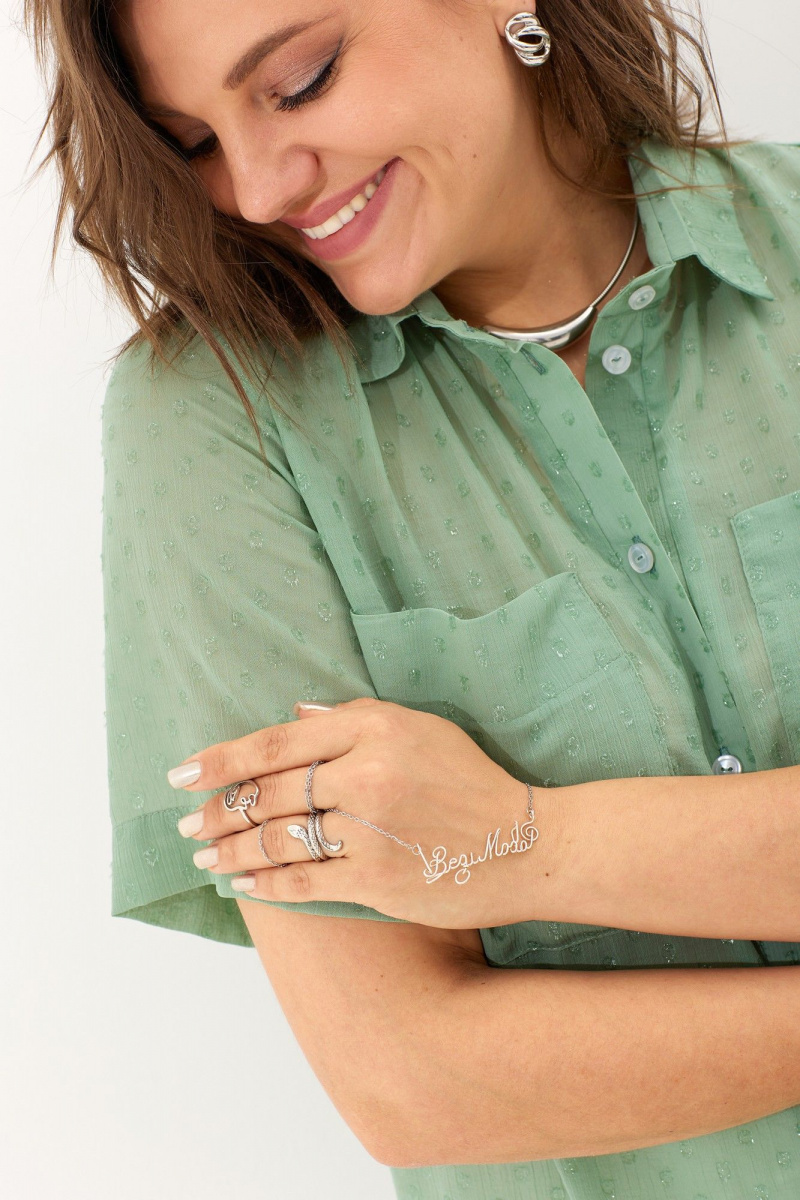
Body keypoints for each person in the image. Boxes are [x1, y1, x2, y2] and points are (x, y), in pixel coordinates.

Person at [25, 0, 800, 1194]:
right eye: (193, 142)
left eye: (300, 81)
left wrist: (518, 843)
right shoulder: (217, 423)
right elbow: (409, 1078)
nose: (258, 188)